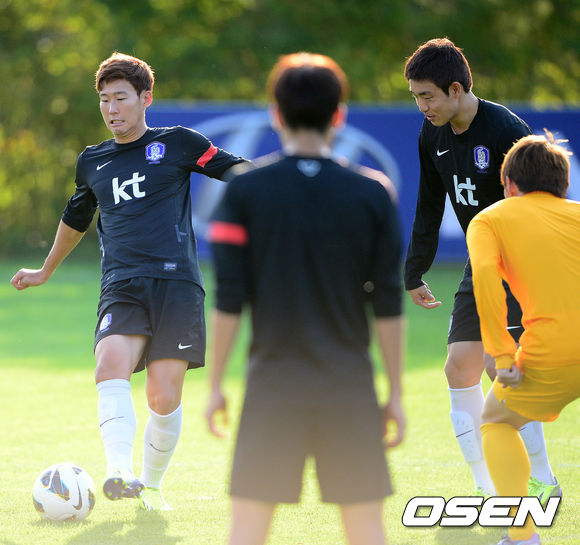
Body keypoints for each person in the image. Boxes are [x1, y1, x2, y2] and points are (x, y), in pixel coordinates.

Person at [11, 52, 247, 511]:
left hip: (177, 285)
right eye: (104, 99)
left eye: (121, 97)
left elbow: (236, 171)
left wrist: (291, 181)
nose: (112, 108)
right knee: (109, 365)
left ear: (145, 98)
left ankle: (150, 485)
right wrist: (45, 270)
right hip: (121, 283)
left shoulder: (178, 142)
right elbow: (76, 218)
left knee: (162, 395)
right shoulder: (93, 161)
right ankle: (119, 472)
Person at [205, 52, 405, 545]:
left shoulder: (244, 190)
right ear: (339, 114)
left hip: (272, 386)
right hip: (349, 386)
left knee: (246, 531)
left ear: (276, 113)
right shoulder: (373, 192)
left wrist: (215, 384)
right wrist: (395, 393)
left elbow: (229, 299)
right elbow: (388, 302)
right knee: (367, 530)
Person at [403, 37, 560, 499]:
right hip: (481, 262)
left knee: (499, 366)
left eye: (427, 96)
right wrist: (414, 270)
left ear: (456, 89)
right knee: (458, 368)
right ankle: (487, 487)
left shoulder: (506, 130)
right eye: (415, 97)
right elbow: (429, 203)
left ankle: (543, 479)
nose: (422, 107)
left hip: (520, 262)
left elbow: (544, 203)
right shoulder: (431, 134)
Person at [467, 132, 580, 545]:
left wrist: (502, 354)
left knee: (497, 422)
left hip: (553, 352)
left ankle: (522, 536)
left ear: (510, 184)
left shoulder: (490, 219)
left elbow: (484, 278)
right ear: (562, 184)